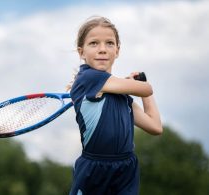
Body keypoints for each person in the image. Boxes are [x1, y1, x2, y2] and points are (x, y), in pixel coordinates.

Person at [68, 16, 163, 195]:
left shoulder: (122, 96)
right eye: (94, 43)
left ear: (117, 50)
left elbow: (155, 126)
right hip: (93, 170)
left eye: (109, 43)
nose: (102, 49)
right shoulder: (87, 78)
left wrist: (140, 88)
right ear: (81, 52)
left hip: (126, 169)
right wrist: (140, 85)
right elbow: (146, 89)